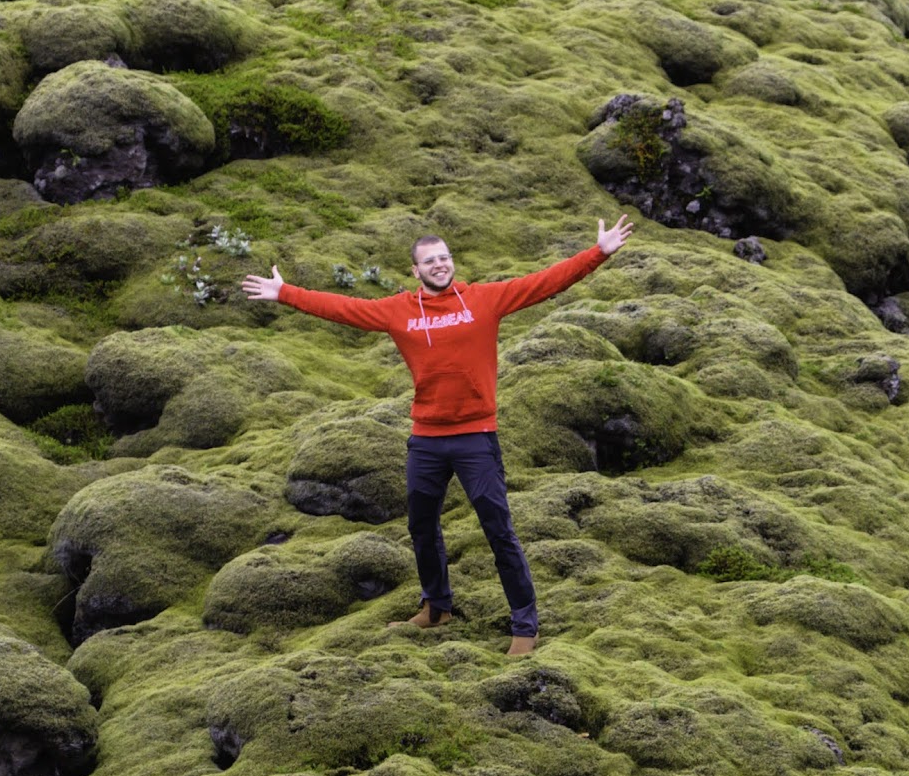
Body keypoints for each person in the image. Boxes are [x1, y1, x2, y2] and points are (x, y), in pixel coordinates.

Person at [244, 215, 633, 655]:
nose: (440, 265)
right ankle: (437, 606)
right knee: (421, 526)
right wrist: (284, 293)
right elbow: (343, 308)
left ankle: (525, 625)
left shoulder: (484, 300)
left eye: (445, 257)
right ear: (415, 271)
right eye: (430, 261)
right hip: (426, 439)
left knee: (498, 529)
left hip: (475, 437)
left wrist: (597, 253)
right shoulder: (398, 311)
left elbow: (545, 282)